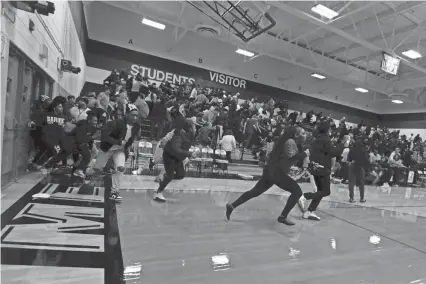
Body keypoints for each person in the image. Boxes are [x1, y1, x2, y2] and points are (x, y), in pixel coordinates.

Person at [225, 126, 308, 226]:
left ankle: (232, 205)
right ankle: (283, 217)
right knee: (297, 191)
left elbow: (290, 159)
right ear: (296, 135)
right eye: (303, 133)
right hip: (276, 172)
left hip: (271, 171)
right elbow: (292, 157)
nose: (305, 135)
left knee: (254, 192)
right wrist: (305, 154)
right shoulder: (290, 141)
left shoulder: (292, 142)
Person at [88, 104, 140, 201]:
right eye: (133, 115)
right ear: (127, 114)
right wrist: (118, 142)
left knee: (120, 168)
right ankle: (88, 171)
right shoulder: (116, 123)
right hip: (107, 148)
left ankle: (114, 192)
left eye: (136, 115)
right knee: (96, 169)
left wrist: (127, 146)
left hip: (120, 149)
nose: (135, 117)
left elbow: (131, 138)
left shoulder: (136, 126)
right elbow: (104, 136)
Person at [299, 121, 348, 221]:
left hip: (315, 167)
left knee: (320, 191)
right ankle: (304, 196)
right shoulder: (325, 139)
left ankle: (309, 212)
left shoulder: (317, 138)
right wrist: (343, 143)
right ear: (327, 129)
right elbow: (333, 152)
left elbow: (326, 151)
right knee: (326, 191)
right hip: (322, 169)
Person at [154, 119, 195, 202]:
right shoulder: (178, 133)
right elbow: (175, 147)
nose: (194, 128)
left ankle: (164, 178)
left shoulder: (188, 134)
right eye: (193, 127)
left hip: (178, 156)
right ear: (189, 127)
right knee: (170, 175)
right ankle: (158, 193)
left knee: (181, 175)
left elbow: (184, 147)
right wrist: (189, 154)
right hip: (170, 155)